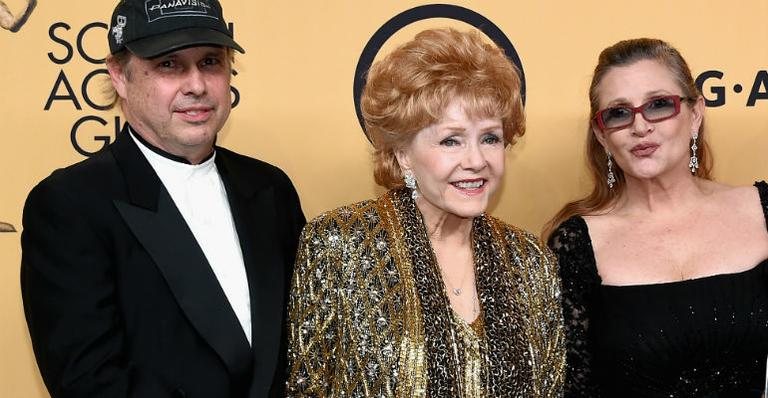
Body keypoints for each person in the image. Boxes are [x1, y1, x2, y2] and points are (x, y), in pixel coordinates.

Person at [20, 0, 305, 396]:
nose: (197, 85)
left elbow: (305, 349)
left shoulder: (271, 189)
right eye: (169, 64)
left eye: (210, 62)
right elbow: (89, 384)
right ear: (119, 75)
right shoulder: (70, 206)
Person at [285, 28, 565, 397]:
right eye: (452, 140)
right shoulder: (339, 245)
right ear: (403, 154)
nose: (476, 161)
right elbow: (307, 388)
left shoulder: (531, 262)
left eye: (490, 138)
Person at [545, 38, 768, 397]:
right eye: (618, 113)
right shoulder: (575, 245)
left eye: (658, 105)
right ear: (602, 135)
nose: (640, 126)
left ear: (695, 114)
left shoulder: (762, 210)